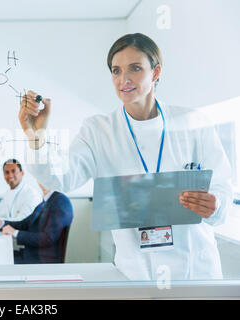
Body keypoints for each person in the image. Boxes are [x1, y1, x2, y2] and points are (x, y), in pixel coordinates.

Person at [18, 33, 233, 280]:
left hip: (196, 272)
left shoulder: (193, 123)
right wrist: (36, 135)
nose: (124, 79)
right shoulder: (98, 130)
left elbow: (222, 190)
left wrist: (214, 205)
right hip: (136, 276)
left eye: (135, 68)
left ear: (155, 72)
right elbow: (59, 178)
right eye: (116, 70)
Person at [0, 183, 73, 264]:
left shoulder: (60, 201)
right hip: (30, 255)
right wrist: (1, 223)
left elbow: (48, 238)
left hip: (40, 261)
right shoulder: (46, 201)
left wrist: (15, 233)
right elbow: (25, 224)